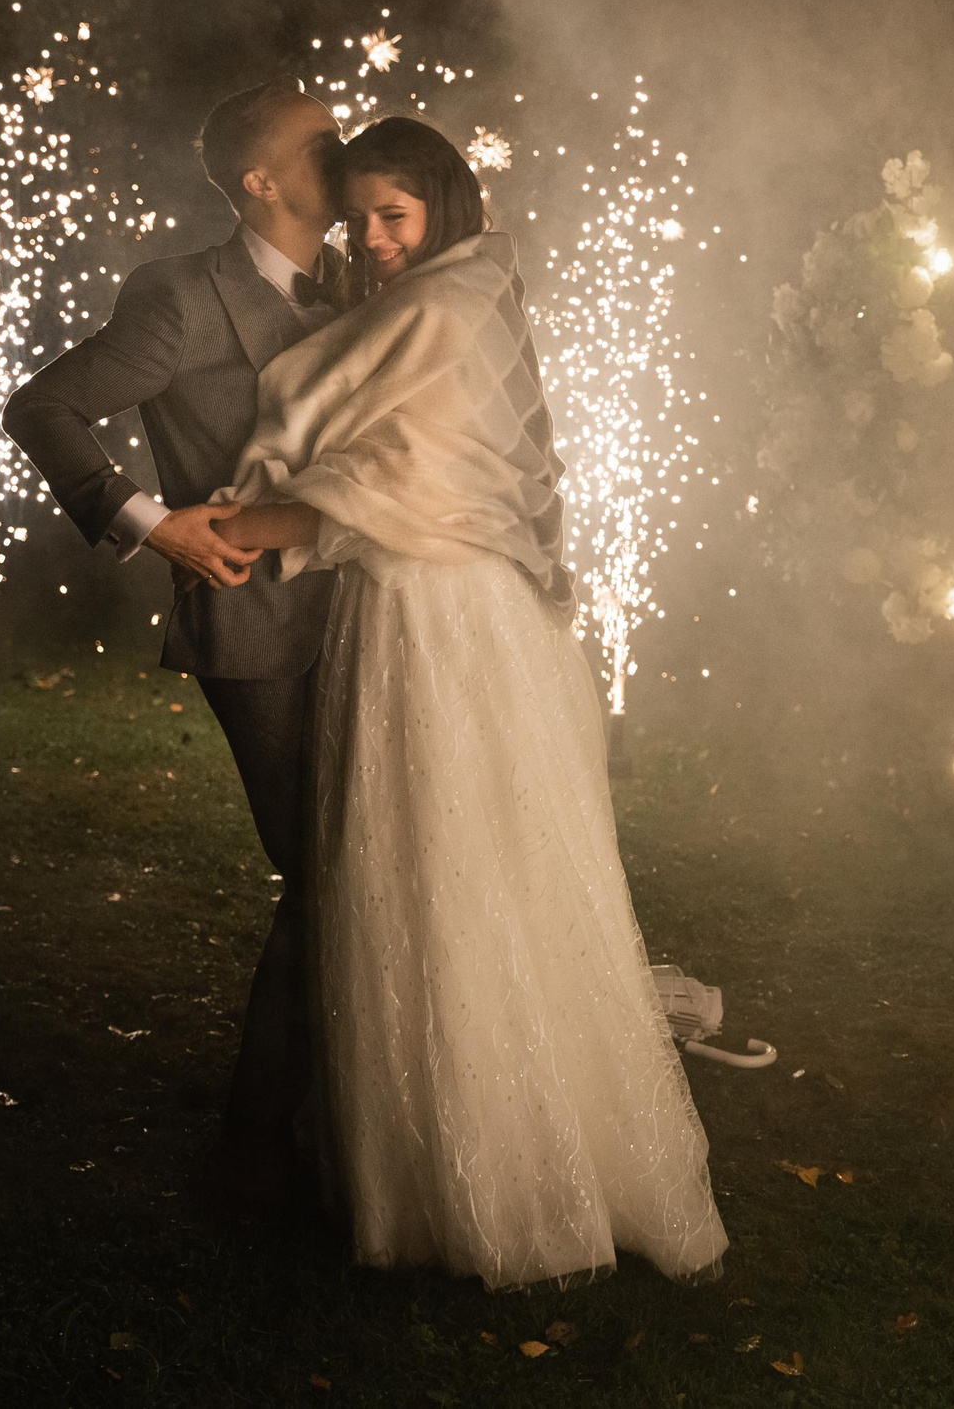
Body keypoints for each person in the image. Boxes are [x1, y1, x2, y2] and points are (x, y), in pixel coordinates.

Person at [207, 115, 728, 1291]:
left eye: (394, 216)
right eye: (360, 222)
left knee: (463, 856)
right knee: (418, 862)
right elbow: (390, 461)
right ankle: (439, 1154)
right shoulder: (457, 297)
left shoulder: (446, 305)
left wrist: (241, 521)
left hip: (445, 620)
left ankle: (509, 1174)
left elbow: (393, 470)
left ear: (441, 203)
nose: (375, 240)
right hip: (421, 610)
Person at [1, 78, 346, 1223]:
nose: (344, 149)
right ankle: (253, 1154)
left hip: (378, 618)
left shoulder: (361, 278)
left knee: (372, 869)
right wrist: (155, 525)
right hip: (257, 623)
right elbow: (42, 407)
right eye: (319, 140)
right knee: (324, 878)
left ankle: (337, 1121)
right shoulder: (183, 294)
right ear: (259, 181)